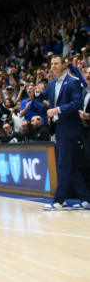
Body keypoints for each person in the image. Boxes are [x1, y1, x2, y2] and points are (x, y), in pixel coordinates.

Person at [40, 55, 89, 210]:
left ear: (63, 65)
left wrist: (58, 109)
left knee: (62, 165)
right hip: (59, 129)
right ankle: (86, 198)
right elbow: (43, 96)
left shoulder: (73, 82)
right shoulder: (52, 83)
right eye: (52, 63)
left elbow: (76, 103)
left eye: (56, 63)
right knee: (71, 166)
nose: (53, 66)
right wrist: (36, 93)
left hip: (70, 129)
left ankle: (59, 200)